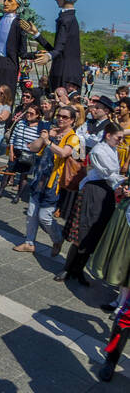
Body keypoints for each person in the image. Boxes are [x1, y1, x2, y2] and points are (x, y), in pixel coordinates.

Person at [60, 120, 125, 286]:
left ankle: (79, 269)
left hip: (106, 192)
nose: (120, 141)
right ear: (108, 135)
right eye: (118, 138)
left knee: (95, 232)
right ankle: (68, 268)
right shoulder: (98, 150)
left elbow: (113, 174)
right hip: (93, 190)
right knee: (83, 230)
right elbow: (108, 174)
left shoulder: (112, 149)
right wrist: (122, 181)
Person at [16, 105, 82, 254]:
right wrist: (43, 137)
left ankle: (57, 238)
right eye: (59, 115)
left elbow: (64, 153)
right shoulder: (51, 133)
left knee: (44, 217)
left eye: (65, 117)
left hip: (55, 183)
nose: (60, 119)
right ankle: (29, 242)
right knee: (32, 213)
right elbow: (32, 148)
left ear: (72, 120)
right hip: (39, 179)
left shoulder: (73, 138)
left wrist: (48, 142)